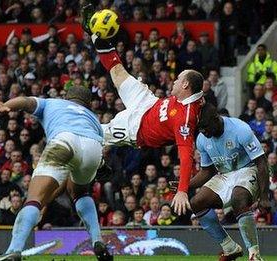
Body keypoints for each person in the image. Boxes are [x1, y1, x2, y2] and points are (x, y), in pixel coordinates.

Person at [82, 4, 204, 216]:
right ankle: (94, 34)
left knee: (93, 132)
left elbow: (186, 156)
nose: (175, 80)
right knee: (117, 71)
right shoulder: (185, 97)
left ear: (186, 86)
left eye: (179, 78)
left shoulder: (186, 118)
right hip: (148, 102)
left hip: (135, 129)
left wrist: (183, 190)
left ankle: (96, 164)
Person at [0, 86, 112, 261]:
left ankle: (14, 249)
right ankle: (97, 240)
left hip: (64, 141)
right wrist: (100, 165)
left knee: (34, 199)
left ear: (66, 97)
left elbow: (26, 102)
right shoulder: (93, 118)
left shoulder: (53, 103)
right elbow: (97, 152)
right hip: (93, 148)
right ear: (87, 103)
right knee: (80, 192)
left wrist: (6, 105)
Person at [178, 104, 269, 261]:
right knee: (197, 202)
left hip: (249, 169)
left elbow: (261, 162)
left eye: (205, 127)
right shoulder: (202, 139)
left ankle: (254, 255)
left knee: (238, 197)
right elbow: (207, 171)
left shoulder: (240, 129)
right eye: (200, 128)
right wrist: (184, 186)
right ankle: (230, 248)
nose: (203, 131)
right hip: (226, 175)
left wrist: (264, 196)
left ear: (216, 119)